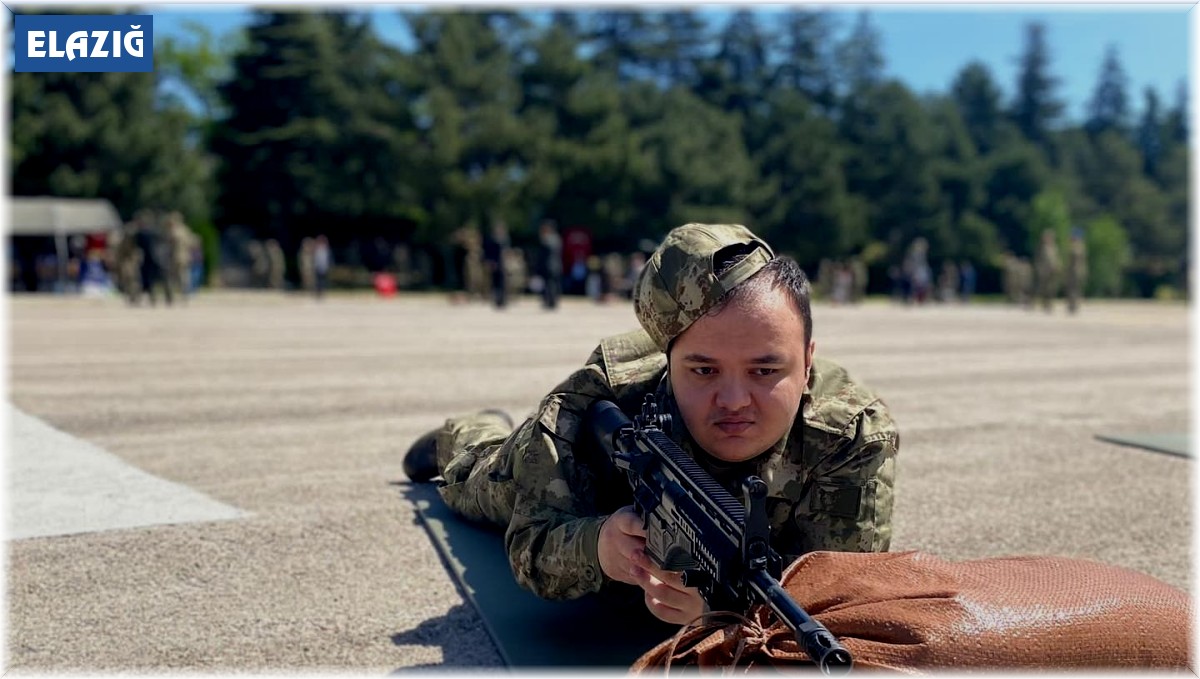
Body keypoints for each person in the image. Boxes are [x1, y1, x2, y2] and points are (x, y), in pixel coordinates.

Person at [402, 223, 899, 626]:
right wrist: (601, 547)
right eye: (703, 370)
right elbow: (530, 547)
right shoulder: (596, 399)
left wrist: (725, 614)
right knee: (477, 477)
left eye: (765, 371)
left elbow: (844, 598)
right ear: (667, 360)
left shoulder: (849, 434)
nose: (733, 401)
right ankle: (470, 432)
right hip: (547, 474)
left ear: (808, 360)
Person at [536, 220, 563, 310]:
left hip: (549, 266)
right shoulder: (557, 238)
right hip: (555, 265)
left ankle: (550, 301)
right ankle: (551, 301)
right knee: (552, 284)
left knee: (549, 284)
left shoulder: (548, 239)